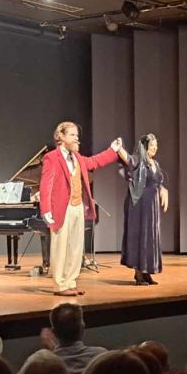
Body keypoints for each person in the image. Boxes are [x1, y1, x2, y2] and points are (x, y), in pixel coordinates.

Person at [38, 122, 123, 296]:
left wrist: (112, 150)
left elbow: (94, 162)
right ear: (61, 137)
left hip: (77, 207)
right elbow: (46, 185)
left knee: (76, 248)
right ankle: (60, 285)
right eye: (72, 135)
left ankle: (70, 282)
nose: (77, 138)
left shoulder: (76, 157)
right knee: (61, 247)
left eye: (77, 135)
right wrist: (46, 209)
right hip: (62, 208)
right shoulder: (52, 158)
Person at [117, 133, 168, 285]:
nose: (155, 148)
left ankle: (146, 272)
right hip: (139, 204)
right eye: (152, 145)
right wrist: (119, 147)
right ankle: (138, 273)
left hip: (151, 207)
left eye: (156, 145)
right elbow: (128, 159)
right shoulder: (139, 160)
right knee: (140, 235)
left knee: (150, 237)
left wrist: (163, 190)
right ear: (145, 147)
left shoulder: (155, 163)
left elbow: (157, 182)